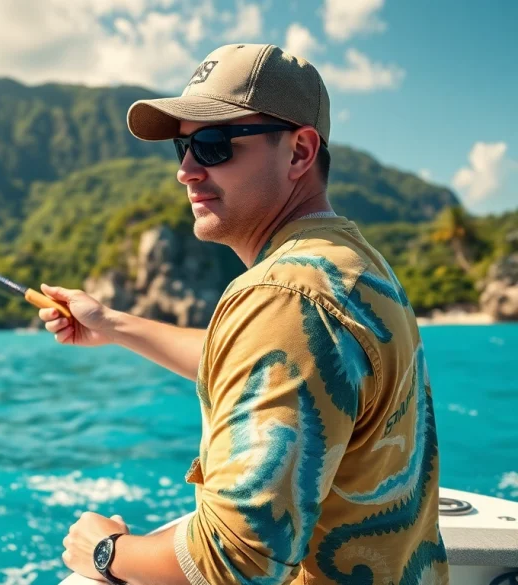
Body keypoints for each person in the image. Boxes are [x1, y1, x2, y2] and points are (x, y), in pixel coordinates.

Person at [40, 43, 449, 585]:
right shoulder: (349, 264)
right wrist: (112, 323)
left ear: (301, 152)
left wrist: (107, 551)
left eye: (212, 145)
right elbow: (252, 360)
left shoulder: (284, 295)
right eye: (182, 148)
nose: (186, 170)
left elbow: (233, 562)